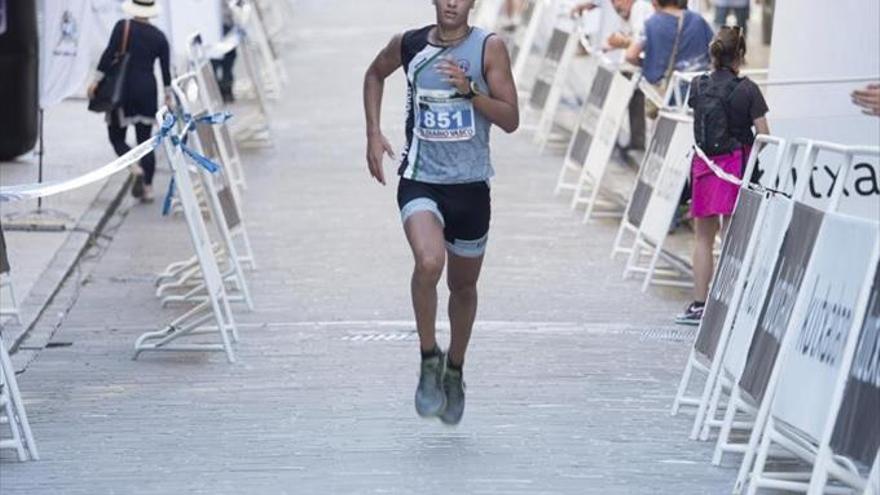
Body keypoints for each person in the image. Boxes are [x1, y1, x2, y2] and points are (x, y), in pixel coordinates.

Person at [363, 0, 519, 425]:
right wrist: (373, 133)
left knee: (463, 287)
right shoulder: (410, 44)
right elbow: (375, 73)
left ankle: (455, 367)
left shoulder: (489, 48)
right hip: (421, 178)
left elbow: (511, 119)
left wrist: (472, 92)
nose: (452, 3)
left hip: (470, 188)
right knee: (429, 262)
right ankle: (429, 356)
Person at [676, 26, 769, 325]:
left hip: (704, 164)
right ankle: (729, 302)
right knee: (732, 236)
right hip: (734, 166)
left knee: (703, 238)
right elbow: (765, 135)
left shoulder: (697, 86)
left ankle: (699, 304)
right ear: (740, 55)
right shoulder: (748, 89)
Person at [88, 0, 171, 203]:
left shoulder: (123, 27)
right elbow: (165, 70)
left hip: (123, 91)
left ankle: (134, 168)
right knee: (146, 142)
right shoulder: (160, 37)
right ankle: (149, 188)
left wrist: (96, 81)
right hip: (148, 91)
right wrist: (168, 94)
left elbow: (109, 54)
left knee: (116, 138)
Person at [625, 0, 714, 106]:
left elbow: (630, 55)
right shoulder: (698, 20)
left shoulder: (651, 24)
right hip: (699, 90)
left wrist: (647, 63)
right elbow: (715, 52)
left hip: (667, 95)